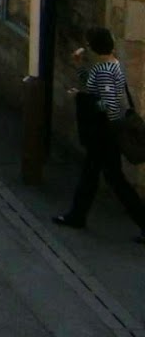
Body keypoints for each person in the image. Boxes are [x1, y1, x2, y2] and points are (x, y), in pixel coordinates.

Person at [53, 26, 145, 241]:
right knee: (93, 175)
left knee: (114, 179)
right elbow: (97, 88)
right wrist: (79, 68)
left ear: (93, 47)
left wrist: (80, 98)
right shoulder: (111, 64)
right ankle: (77, 215)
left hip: (104, 134)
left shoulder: (104, 70)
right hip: (105, 133)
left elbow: (108, 104)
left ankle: (79, 216)